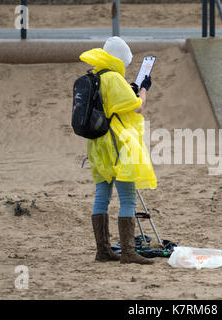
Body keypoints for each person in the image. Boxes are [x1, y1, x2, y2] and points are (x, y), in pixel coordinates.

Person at [79, 37, 157, 265]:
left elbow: (115, 102)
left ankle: (103, 251)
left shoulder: (98, 77)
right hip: (117, 144)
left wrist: (131, 89)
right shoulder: (114, 78)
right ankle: (128, 252)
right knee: (127, 197)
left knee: (102, 195)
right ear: (120, 59)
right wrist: (143, 89)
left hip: (97, 145)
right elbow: (139, 107)